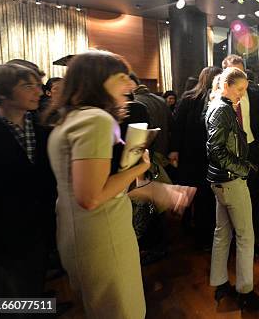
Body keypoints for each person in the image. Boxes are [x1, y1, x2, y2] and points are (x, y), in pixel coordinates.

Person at [47, 50, 150, 318]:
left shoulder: (69, 118)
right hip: (103, 236)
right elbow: (91, 197)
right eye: (121, 78)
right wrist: (139, 168)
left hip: (77, 232)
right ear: (97, 81)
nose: (129, 86)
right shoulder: (96, 119)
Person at [0, 64, 56, 298]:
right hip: (1, 230)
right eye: (28, 86)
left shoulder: (44, 126)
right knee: (5, 293)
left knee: (35, 279)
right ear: (3, 92)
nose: (39, 91)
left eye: (38, 85)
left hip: (40, 224)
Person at [205, 67, 259, 311]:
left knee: (222, 233)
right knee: (245, 236)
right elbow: (217, 151)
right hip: (230, 180)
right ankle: (246, 292)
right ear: (226, 85)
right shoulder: (222, 109)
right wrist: (243, 169)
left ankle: (221, 283)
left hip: (219, 181)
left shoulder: (217, 105)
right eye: (240, 89)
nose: (242, 95)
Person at [222, 55, 259, 250]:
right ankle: (234, 239)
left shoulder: (256, 94)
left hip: (252, 149)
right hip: (229, 155)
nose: (238, 78)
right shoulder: (218, 98)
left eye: (241, 73)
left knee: (254, 193)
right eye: (233, 73)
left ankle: (253, 237)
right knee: (232, 199)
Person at [170, 66, 222, 249]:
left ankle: (188, 228)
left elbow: (176, 126)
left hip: (190, 153)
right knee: (204, 196)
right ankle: (202, 235)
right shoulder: (207, 98)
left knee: (192, 192)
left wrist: (175, 150)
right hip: (205, 155)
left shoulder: (188, 97)